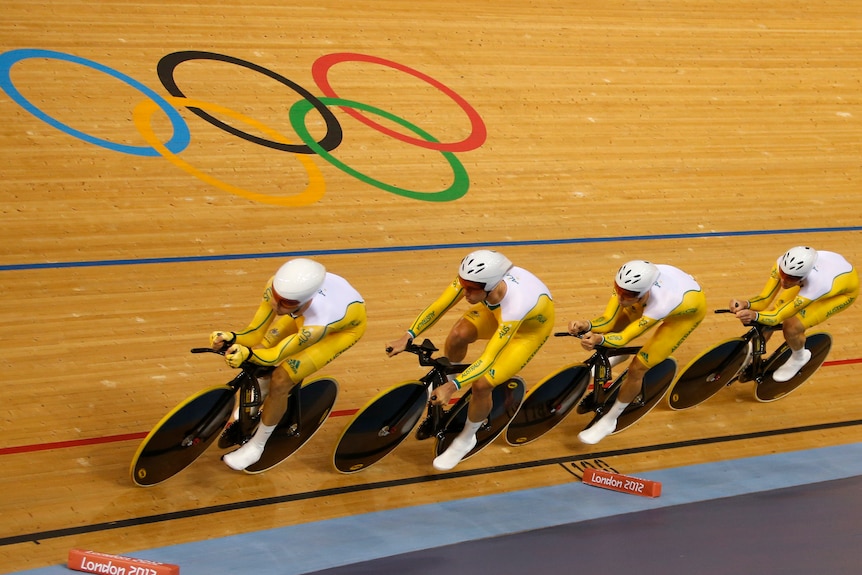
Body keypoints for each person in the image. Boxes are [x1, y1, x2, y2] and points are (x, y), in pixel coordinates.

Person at [387, 250, 555, 471]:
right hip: (497, 314)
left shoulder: (516, 305)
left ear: (491, 287)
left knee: (482, 384)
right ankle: (452, 374)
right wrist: (407, 336)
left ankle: (467, 438)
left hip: (526, 331)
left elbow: (488, 357)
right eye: (463, 284)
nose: (463, 291)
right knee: (458, 335)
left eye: (470, 289)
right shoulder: (477, 282)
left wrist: (453, 387)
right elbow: (440, 305)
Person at [210, 258, 367, 471]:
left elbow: (275, 357)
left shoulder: (319, 322)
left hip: (340, 330)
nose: (277, 305)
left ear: (305, 300)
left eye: (287, 303)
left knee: (281, 379)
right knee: (260, 348)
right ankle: (261, 392)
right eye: (276, 298)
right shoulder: (280, 291)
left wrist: (247, 354)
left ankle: (257, 447)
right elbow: (254, 332)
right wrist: (231, 336)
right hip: (304, 316)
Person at [567, 260, 706, 445]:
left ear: (644, 293)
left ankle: (610, 420)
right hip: (668, 289)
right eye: (619, 291)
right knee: (615, 326)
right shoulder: (627, 286)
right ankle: (619, 354)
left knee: (637, 369)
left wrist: (599, 339)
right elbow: (608, 321)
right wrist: (587, 324)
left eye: (628, 295)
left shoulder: (661, 303)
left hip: (685, 313)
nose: (621, 299)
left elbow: (626, 337)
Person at [729, 246, 858, 382]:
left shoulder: (818, 285)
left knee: (791, 327)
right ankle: (752, 352)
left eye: (790, 278)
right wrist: (745, 304)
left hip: (841, 294)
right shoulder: (782, 265)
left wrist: (755, 316)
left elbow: (778, 317)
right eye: (782, 275)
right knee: (773, 309)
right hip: (821, 277)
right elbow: (764, 299)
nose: (784, 282)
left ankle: (800, 356)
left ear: (803, 276)